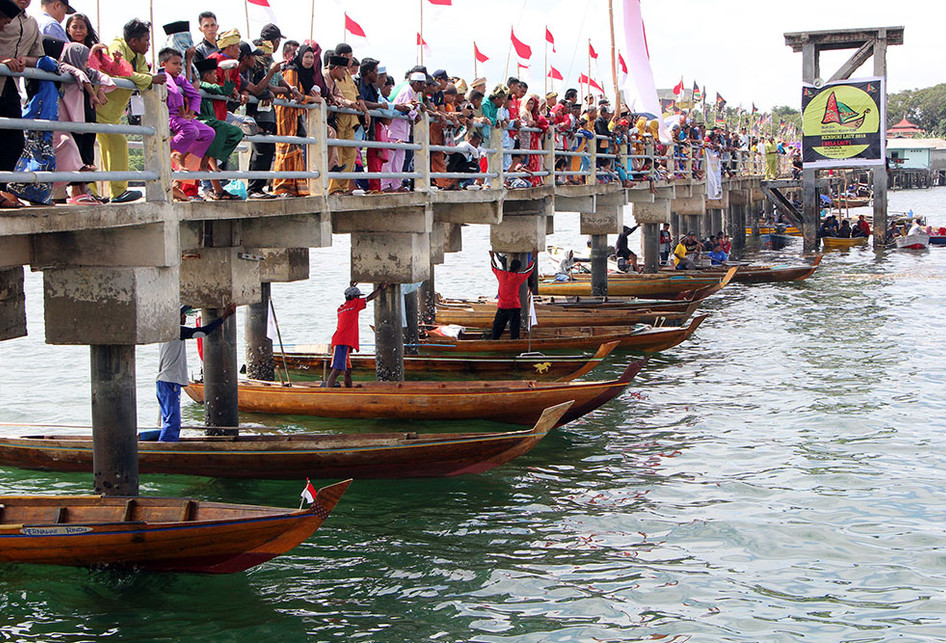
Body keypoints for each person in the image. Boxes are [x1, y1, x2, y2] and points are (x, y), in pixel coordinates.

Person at [97, 18, 166, 204]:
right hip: (99, 107)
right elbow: (120, 71)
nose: (149, 45)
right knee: (115, 143)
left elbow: (142, 75)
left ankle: (100, 192)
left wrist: (147, 79)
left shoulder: (139, 56)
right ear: (134, 41)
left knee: (110, 147)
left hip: (113, 112)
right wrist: (150, 80)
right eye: (146, 40)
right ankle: (115, 192)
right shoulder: (116, 46)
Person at [156, 303, 236, 442]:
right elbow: (203, 332)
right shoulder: (177, 332)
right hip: (169, 381)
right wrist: (225, 316)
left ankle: (166, 446)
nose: (185, 317)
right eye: (182, 315)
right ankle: (165, 449)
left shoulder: (165, 332)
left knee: (169, 419)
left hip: (164, 382)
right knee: (173, 421)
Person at [324, 283, 385, 388]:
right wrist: (380, 288)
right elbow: (370, 298)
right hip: (341, 342)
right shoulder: (354, 305)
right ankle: (328, 392)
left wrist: (351, 285)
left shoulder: (342, 308)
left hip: (342, 341)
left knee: (348, 370)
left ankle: (349, 389)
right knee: (337, 370)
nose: (358, 298)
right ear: (353, 298)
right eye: (357, 297)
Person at [489, 250, 535, 340]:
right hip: (514, 306)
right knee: (514, 328)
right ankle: (515, 341)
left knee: (497, 327)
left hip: (502, 306)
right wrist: (533, 258)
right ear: (518, 269)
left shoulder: (501, 274)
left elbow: (494, 266)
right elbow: (528, 271)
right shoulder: (518, 277)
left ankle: (493, 341)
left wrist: (492, 257)